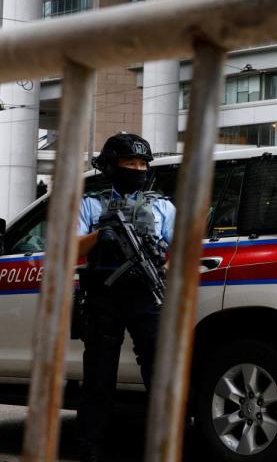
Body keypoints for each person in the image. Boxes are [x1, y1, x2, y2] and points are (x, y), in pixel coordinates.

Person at [75, 133, 175, 462]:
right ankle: (90, 446)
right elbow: (72, 249)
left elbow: (181, 250)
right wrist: (102, 232)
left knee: (159, 373)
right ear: (111, 166)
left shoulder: (162, 206)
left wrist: (161, 262)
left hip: (147, 296)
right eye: (129, 162)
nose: (137, 168)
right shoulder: (90, 204)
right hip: (105, 294)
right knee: (99, 376)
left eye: (142, 163)